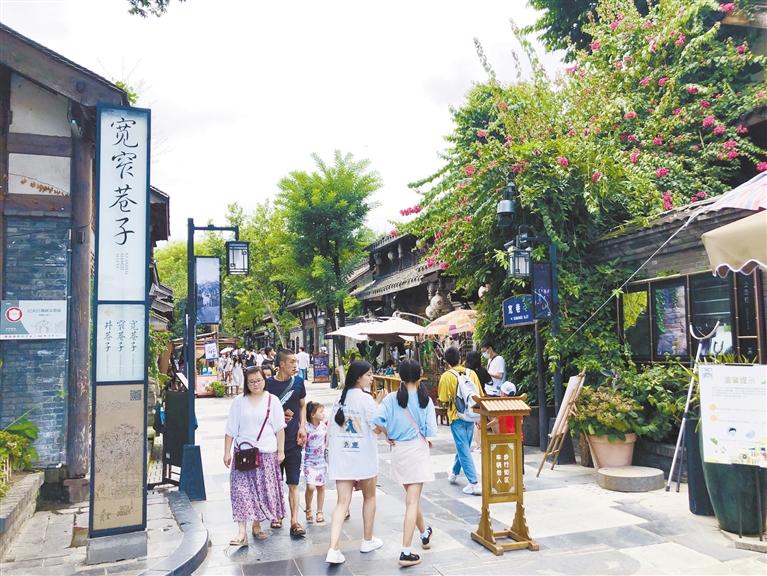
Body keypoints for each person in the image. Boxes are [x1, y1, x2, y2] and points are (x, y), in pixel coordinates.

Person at [373, 360, 436, 568]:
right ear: (419, 375)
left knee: (411, 498)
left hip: (399, 451)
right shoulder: (425, 400)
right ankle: (406, 551)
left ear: (399, 375)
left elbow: (376, 420)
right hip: (417, 450)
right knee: (412, 501)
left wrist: (388, 434)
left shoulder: (391, 398)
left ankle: (424, 533)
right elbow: (431, 430)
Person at [326, 360, 383, 565]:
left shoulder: (339, 399)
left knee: (342, 502)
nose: (372, 378)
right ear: (359, 377)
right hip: (363, 456)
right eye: (369, 374)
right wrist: (379, 405)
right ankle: (367, 540)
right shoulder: (366, 400)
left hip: (342, 458)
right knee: (370, 497)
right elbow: (377, 427)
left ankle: (333, 548)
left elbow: (331, 428)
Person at [223, 366, 286, 545]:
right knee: (241, 491)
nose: (255, 384)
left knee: (261, 492)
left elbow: (280, 428)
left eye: (258, 380)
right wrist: (226, 452)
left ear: (264, 380)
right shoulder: (239, 402)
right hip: (243, 453)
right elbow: (230, 429)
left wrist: (281, 451)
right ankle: (241, 532)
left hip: (265, 453)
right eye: (251, 382)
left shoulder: (272, 400)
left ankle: (256, 525)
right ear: (246, 383)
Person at [265, 349, 307, 537]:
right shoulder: (268, 384)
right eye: (292, 362)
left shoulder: (298, 382)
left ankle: (295, 521)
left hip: (293, 440)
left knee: (293, 482)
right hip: (272, 442)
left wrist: (302, 426)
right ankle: (276, 515)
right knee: (275, 481)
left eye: (296, 362)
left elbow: (302, 405)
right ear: (281, 364)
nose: (295, 365)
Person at [438, 347, 482, 495]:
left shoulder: (446, 376)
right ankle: (454, 472)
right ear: (460, 358)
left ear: (446, 361)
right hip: (471, 414)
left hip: (456, 415)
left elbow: (443, 399)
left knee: (463, 447)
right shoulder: (472, 373)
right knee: (463, 446)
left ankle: (474, 483)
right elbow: (479, 395)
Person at [304, 401, 328, 525]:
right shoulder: (306, 427)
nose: (323, 414)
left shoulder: (324, 427)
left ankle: (320, 511)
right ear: (312, 414)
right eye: (321, 411)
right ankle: (308, 508)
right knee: (310, 486)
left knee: (321, 487)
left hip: (321, 461)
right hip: (309, 461)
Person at [466, 351, 493, 452]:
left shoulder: (467, 372)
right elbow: (490, 382)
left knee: (477, 422)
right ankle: (493, 441)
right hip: (483, 396)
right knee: (486, 419)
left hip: (472, 398)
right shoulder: (483, 370)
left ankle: (479, 446)